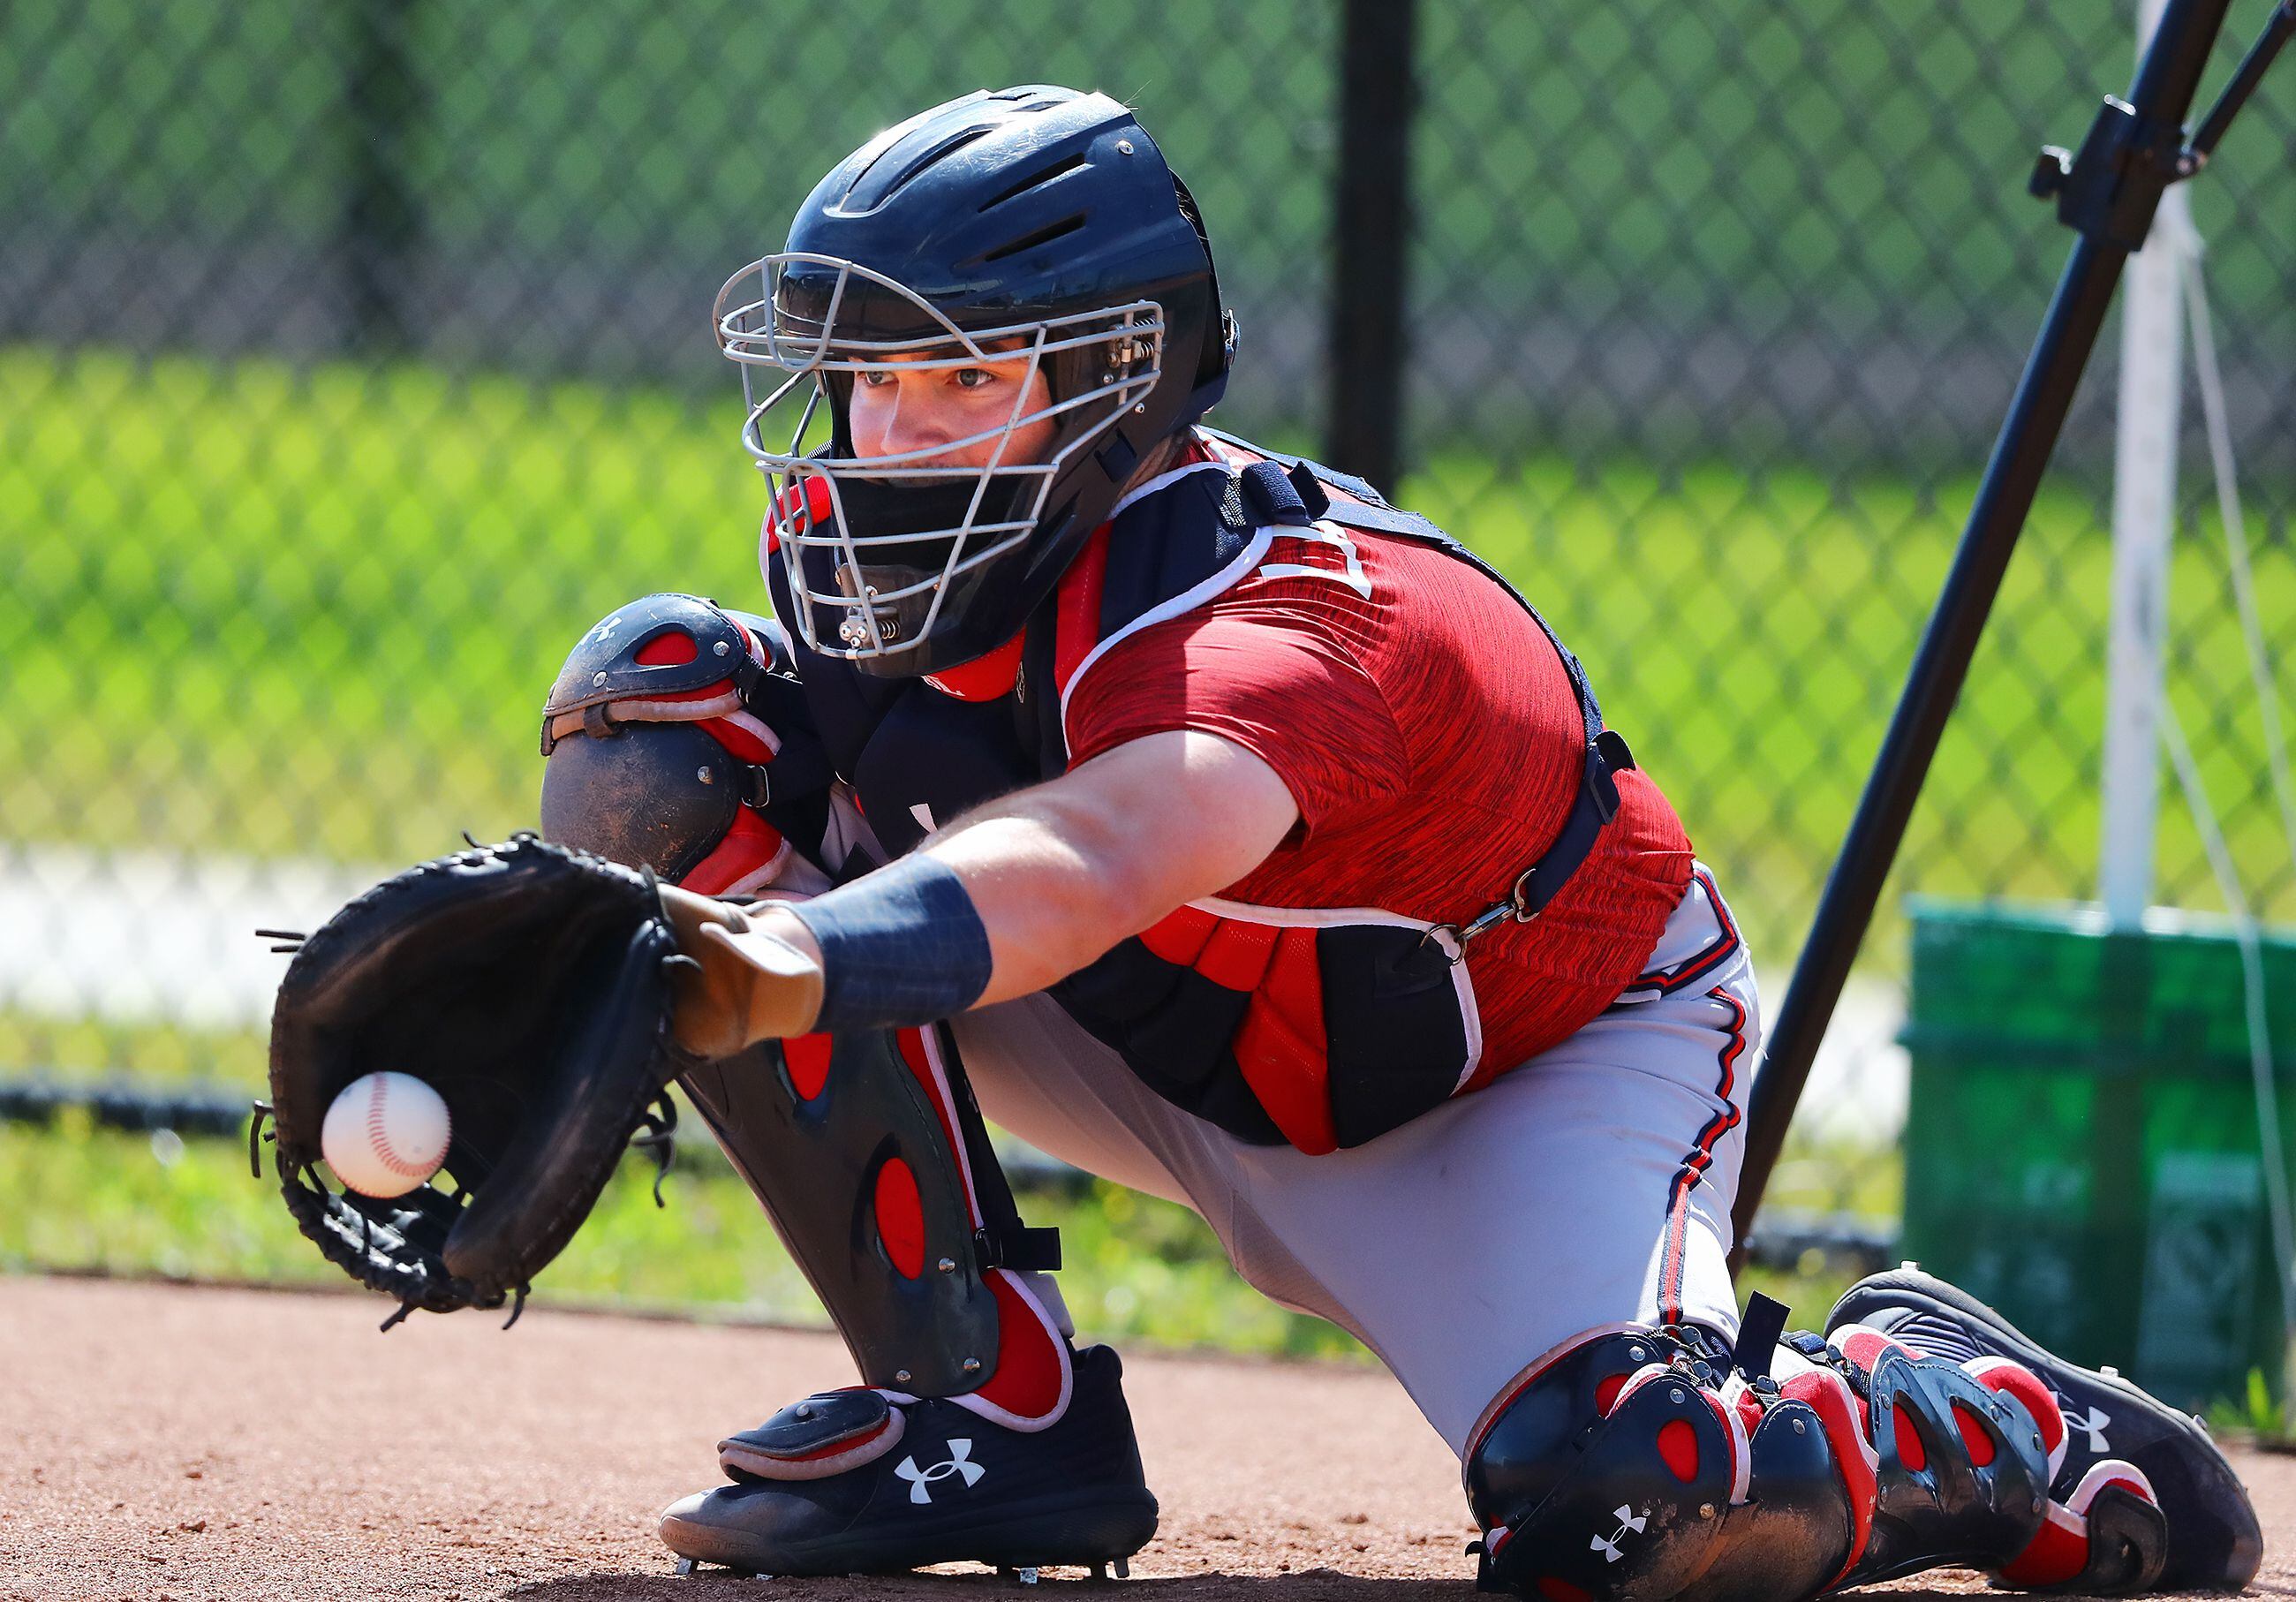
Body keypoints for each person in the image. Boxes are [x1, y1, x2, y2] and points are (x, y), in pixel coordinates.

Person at [532, 86, 2260, 1597]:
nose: (885, 440)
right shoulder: (916, 585)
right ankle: (988, 1402)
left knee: (1627, 1498)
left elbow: (1094, 856)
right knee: (663, 726)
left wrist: (784, 963)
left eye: (959, 379)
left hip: (1528, 1071)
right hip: (1194, 1021)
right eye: (867, 382)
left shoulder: (1288, 622)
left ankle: (1958, 1410)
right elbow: (892, 845)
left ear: (1110, 387)